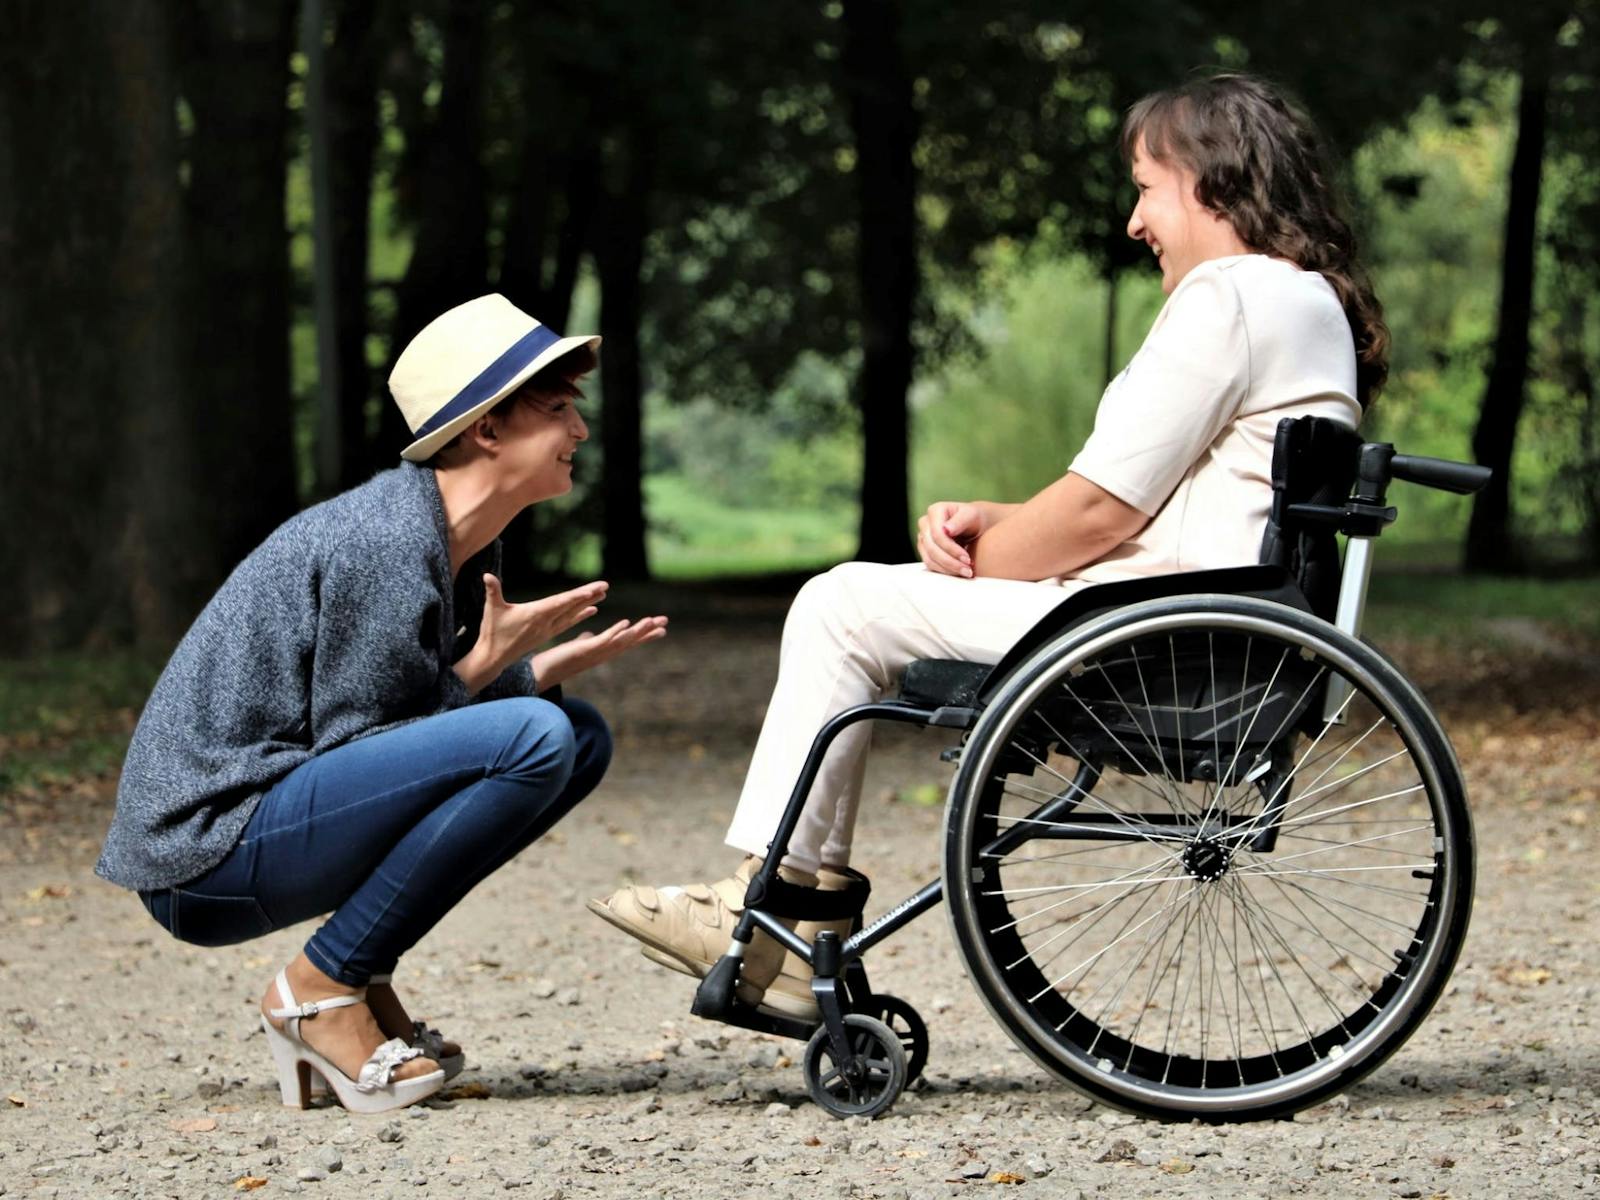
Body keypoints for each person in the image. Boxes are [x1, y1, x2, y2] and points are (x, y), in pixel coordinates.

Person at [589, 72, 1386, 1021]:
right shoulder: (1304, 303)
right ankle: (787, 914)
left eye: (1145, 188)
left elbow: (1098, 518)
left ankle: (779, 920)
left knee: (843, 604)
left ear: (1211, 179)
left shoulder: (1233, 295)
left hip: (1158, 635)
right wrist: (996, 520)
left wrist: (976, 558)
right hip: (1209, 620)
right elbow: (1156, 505)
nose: (1135, 223)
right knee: (861, 599)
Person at [97, 294, 667, 1114]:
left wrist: (524, 672)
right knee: (540, 735)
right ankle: (319, 991)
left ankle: (354, 973)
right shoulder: (385, 542)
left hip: (274, 815)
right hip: (205, 851)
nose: (579, 431)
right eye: (557, 409)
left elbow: (398, 737)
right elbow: (364, 745)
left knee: (576, 735)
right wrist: (492, 670)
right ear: (488, 430)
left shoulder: (451, 538)